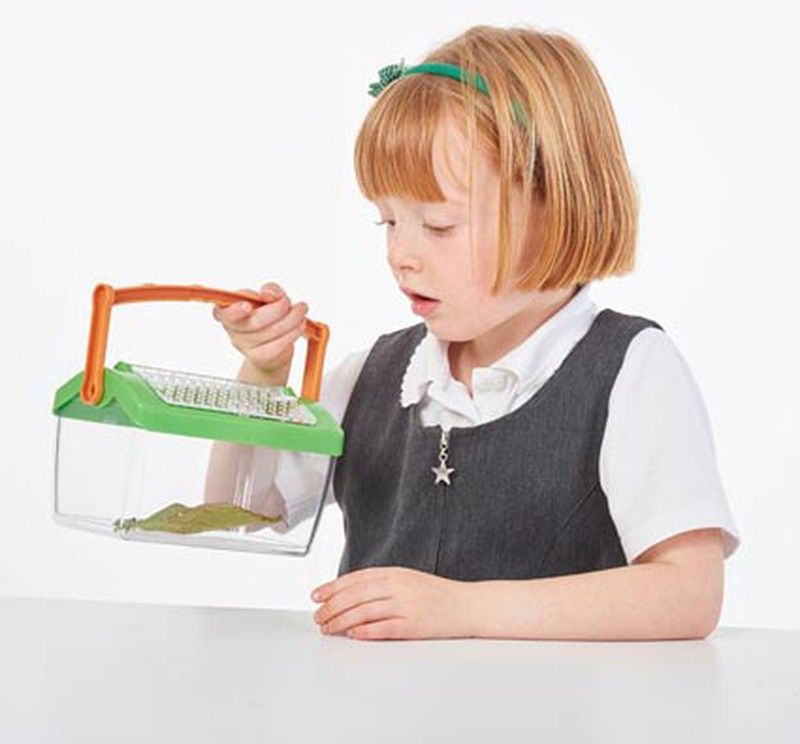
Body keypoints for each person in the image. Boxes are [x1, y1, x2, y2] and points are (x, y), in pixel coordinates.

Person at [209, 24, 740, 642]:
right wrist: (262, 375)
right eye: (387, 222)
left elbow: (689, 594)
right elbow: (236, 511)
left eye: (439, 225)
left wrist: (462, 609)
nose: (400, 255)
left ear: (555, 207)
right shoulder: (373, 378)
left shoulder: (630, 370)